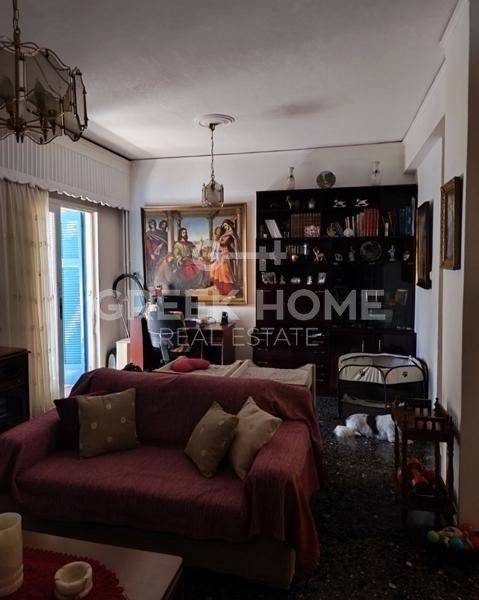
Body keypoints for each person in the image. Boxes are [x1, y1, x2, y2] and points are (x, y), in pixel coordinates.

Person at [210, 219, 241, 296]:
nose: (225, 227)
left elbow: (224, 243)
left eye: (226, 225)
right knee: (218, 271)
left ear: (230, 225)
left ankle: (230, 290)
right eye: (224, 226)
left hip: (226, 255)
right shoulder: (225, 234)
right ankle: (222, 289)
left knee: (225, 272)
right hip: (222, 255)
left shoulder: (231, 234)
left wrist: (218, 241)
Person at [145, 219, 168, 286]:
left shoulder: (159, 232)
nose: (153, 224)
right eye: (151, 223)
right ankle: (152, 281)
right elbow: (148, 244)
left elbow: (164, 240)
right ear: (149, 225)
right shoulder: (148, 233)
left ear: (155, 224)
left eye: (154, 223)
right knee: (152, 266)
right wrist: (151, 254)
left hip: (160, 251)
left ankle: (160, 279)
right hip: (151, 252)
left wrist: (160, 246)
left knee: (160, 265)